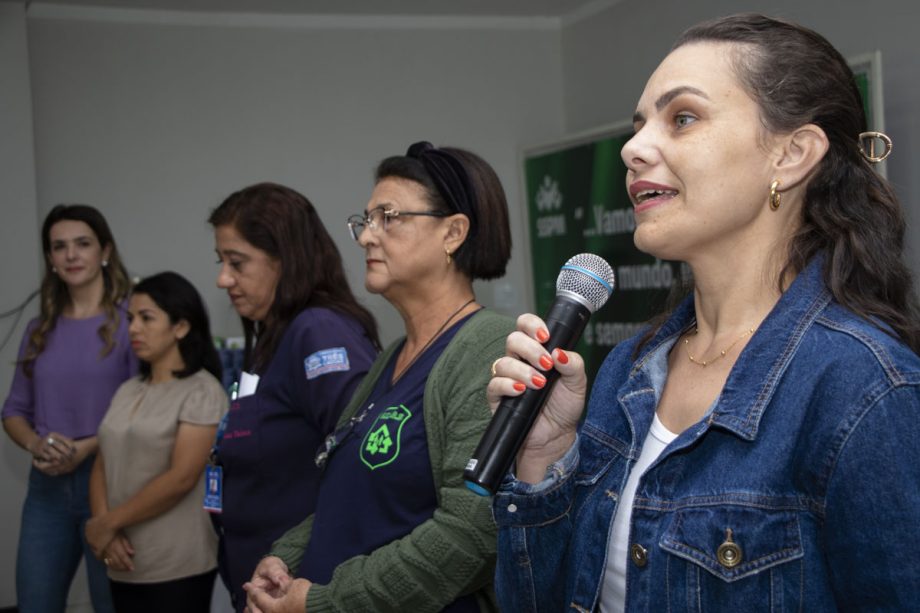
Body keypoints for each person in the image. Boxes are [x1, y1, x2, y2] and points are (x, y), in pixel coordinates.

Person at [489, 13, 920, 612]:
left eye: (682, 118)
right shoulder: (627, 370)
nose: (634, 149)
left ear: (792, 154)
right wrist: (542, 458)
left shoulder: (864, 388)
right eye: (638, 126)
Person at [244, 141, 515, 613]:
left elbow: (470, 536)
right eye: (366, 221)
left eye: (388, 217)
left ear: (453, 232)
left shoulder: (489, 348)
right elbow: (348, 498)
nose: (368, 236)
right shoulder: (393, 357)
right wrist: (283, 559)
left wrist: (327, 602)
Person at [208, 182, 381, 611]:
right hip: (263, 580)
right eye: (221, 262)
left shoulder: (318, 331)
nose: (223, 278)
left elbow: (363, 463)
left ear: (285, 260)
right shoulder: (273, 334)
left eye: (237, 262)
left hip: (301, 585)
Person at [2, 204, 134, 612]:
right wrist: (37, 446)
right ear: (50, 259)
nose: (71, 255)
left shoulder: (133, 321)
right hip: (47, 491)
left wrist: (84, 447)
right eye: (60, 247)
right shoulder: (39, 328)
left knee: (111, 604)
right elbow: (13, 411)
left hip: (111, 486)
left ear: (105, 251)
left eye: (83, 244)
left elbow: (141, 412)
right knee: (35, 604)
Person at [85, 271, 226, 612]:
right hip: (121, 555)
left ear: (181, 326)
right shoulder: (128, 389)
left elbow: (181, 478)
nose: (133, 329)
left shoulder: (202, 390)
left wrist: (106, 523)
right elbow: (103, 463)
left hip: (175, 560)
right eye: (131, 319)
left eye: (147, 318)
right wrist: (107, 531)